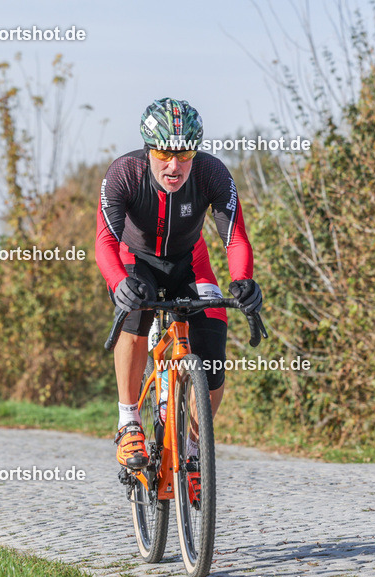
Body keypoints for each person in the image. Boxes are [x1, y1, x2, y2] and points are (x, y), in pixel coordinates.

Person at [95, 98, 263, 469]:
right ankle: (128, 422)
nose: (174, 166)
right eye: (164, 153)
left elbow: (235, 238)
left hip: (190, 262)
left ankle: (192, 451)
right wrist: (119, 281)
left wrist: (244, 280)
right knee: (136, 310)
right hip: (134, 260)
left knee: (214, 345)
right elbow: (105, 242)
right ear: (148, 148)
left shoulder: (212, 173)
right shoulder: (125, 172)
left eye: (185, 154)